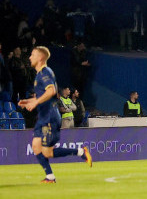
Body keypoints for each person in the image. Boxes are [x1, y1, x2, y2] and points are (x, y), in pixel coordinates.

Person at [17, 46, 92, 183]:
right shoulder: (40, 74)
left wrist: (35, 103)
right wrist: (30, 101)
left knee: (47, 152)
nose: (29, 57)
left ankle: (80, 152)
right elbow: (46, 96)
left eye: (32, 55)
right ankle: (50, 177)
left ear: (40, 58)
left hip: (50, 117)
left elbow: (51, 91)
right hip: (43, 117)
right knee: (35, 146)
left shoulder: (45, 73)